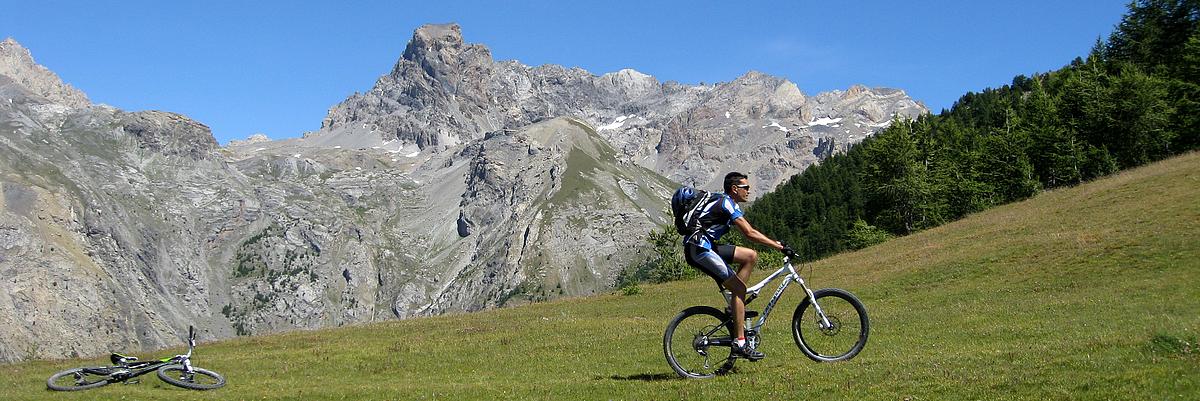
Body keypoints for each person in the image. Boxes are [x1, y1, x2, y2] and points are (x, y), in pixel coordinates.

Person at [681, 172, 794, 361]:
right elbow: (749, 233)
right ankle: (740, 343)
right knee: (739, 288)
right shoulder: (727, 203)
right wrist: (778, 246)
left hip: (705, 245)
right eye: (746, 188)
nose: (749, 191)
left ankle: (735, 305)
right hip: (699, 248)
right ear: (735, 189)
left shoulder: (726, 202)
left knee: (750, 256)